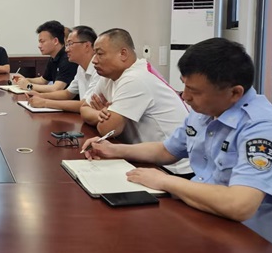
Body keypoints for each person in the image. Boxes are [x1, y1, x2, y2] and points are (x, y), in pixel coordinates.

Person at [82, 37, 272, 253]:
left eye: (194, 91)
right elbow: (167, 150)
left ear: (235, 93)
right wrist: (115, 150)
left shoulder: (262, 129)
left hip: (265, 251)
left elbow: (240, 205)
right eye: (184, 85)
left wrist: (165, 181)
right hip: (214, 221)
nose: (185, 96)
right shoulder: (208, 110)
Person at [80, 28, 190, 174]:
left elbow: (107, 130)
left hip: (172, 167)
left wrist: (103, 117)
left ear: (123, 54)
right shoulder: (108, 77)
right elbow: (83, 108)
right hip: (143, 156)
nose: (94, 60)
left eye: (100, 54)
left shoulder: (135, 78)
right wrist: (99, 114)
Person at [27, 25, 98, 112]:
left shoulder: (99, 70)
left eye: (70, 44)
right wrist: (40, 96)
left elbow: (85, 104)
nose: (66, 49)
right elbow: (67, 93)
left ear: (86, 46)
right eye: (67, 45)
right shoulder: (81, 68)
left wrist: (45, 102)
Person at [11, 20, 77, 93]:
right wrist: (25, 80)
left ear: (55, 41)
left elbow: (56, 88)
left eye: (42, 42)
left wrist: (28, 86)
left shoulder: (67, 58)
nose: (39, 46)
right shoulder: (53, 57)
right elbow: (43, 80)